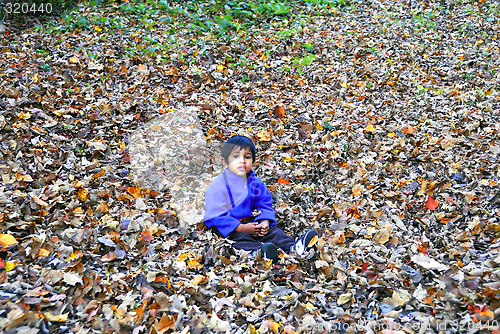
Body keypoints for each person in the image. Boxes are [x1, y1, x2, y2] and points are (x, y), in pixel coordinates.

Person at [204, 135, 318, 263]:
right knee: (239, 240)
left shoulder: (255, 183)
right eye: (236, 156)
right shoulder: (218, 186)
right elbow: (215, 214)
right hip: (229, 226)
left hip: (251, 222)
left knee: (274, 233)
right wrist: (241, 227)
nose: (242, 161)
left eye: (247, 157)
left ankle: (294, 247)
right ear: (225, 162)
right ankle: (258, 252)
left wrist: (264, 222)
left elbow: (264, 204)